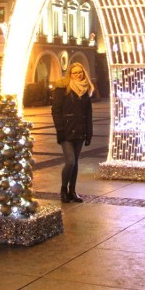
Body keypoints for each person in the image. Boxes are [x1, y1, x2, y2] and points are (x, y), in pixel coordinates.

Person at [51, 62, 94, 203]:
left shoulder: (86, 89)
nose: (78, 75)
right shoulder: (62, 88)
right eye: (75, 72)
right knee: (70, 161)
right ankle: (63, 189)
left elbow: (88, 113)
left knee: (75, 163)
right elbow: (56, 110)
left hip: (80, 130)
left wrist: (89, 133)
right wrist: (60, 130)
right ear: (70, 74)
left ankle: (72, 191)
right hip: (67, 130)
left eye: (80, 72)